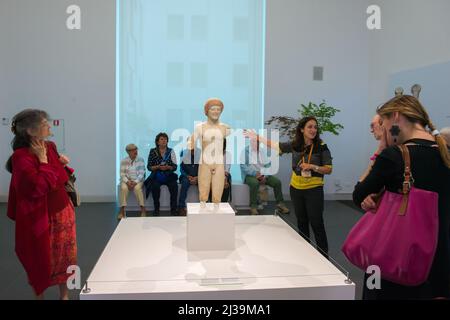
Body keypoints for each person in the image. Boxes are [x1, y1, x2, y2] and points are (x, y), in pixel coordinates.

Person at [353, 95, 450, 300]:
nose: (385, 130)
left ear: (395, 117)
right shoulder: (445, 154)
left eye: (384, 123)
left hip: (394, 259)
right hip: (438, 261)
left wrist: (381, 147)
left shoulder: (393, 156)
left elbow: (358, 193)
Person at [5, 109, 77, 300]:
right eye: (45, 123)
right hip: (42, 216)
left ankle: (65, 295)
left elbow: (59, 179)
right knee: (39, 257)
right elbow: (38, 188)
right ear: (30, 130)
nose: (49, 126)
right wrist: (45, 162)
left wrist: (58, 165)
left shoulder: (50, 145)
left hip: (62, 209)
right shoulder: (21, 157)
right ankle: (40, 296)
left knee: (66, 255)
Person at [244, 116, 333, 257]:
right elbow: (276, 145)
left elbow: (328, 169)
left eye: (315, 127)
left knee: (316, 222)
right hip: (296, 189)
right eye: (310, 127)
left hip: (314, 189)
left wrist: (313, 166)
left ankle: (324, 256)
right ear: (302, 129)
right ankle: (305, 251)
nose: (313, 130)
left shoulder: (321, 147)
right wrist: (257, 137)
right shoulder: (295, 145)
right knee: (301, 222)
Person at [189, 98, 230, 209]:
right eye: (213, 109)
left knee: (218, 187)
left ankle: (217, 206)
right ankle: (203, 205)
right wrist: (190, 145)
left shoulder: (225, 128)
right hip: (205, 162)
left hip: (219, 162)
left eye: (218, 109)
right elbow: (191, 141)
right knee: (204, 187)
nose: (216, 111)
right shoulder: (200, 127)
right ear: (206, 111)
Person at [240, 136, 290, 215]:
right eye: (253, 142)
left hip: (263, 174)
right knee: (254, 183)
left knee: (277, 182)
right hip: (250, 175)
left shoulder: (262, 151)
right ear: (250, 142)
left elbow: (267, 165)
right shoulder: (245, 151)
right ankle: (253, 207)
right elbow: (243, 166)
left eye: (256, 142)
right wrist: (255, 173)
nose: (254, 144)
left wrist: (265, 176)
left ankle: (280, 204)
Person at [144, 133, 178, 216]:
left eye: (165, 139)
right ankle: (156, 209)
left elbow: (175, 167)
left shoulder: (171, 151)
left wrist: (167, 167)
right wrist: (158, 167)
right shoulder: (153, 151)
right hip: (157, 175)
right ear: (157, 142)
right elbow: (149, 167)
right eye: (162, 139)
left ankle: (173, 210)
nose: (164, 141)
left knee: (174, 186)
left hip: (168, 175)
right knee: (155, 187)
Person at [118, 143, 146, 220]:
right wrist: (127, 182)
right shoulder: (124, 160)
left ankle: (143, 209)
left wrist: (135, 182)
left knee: (137, 189)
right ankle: (122, 210)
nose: (135, 151)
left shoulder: (140, 159)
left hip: (138, 180)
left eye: (136, 149)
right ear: (128, 152)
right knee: (124, 188)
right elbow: (122, 174)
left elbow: (142, 173)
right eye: (133, 150)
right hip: (127, 180)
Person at [178, 144, 201, 216]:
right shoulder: (183, 153)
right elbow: (181, 168)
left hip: (198, 176)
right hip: (186, 176)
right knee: (184, 183)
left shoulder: (201, 153)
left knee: (204, 184)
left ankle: (204, 205)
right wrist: (188, 176)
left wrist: (197, 177)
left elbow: (204, 167)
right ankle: (181, 207)